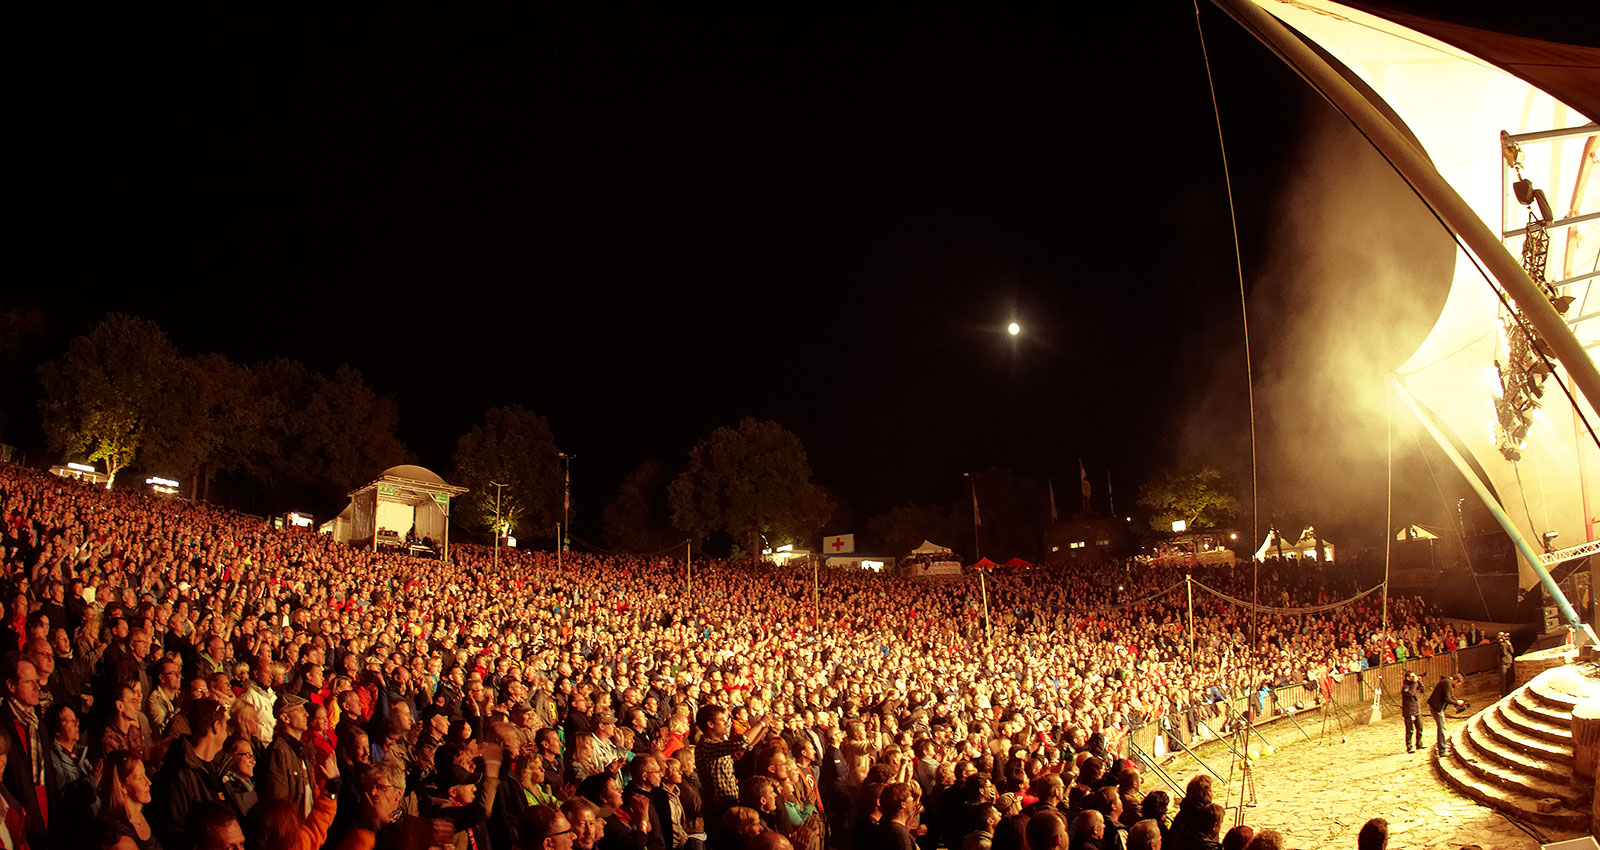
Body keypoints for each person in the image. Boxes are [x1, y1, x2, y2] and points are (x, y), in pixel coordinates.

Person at [97, 750, 161, 850]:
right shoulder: (120, 838)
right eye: (140, 778)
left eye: (145, 775)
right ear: (122, 786)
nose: (148, 782)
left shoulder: (139, 815)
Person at [1427, 675, 1466, 756]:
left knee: (1443, 726)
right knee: (1442, 727)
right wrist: (1457, 702)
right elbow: (1447, 699)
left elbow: (1450, 696)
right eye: (1458, 684)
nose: (1458, 686)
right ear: (1455, 680)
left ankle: (1443, 744)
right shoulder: (1446, 683)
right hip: (1436, 707)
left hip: (1437, 707)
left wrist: (1456, 702)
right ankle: (1442, 750)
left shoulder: (1447, 683)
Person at [1399, 672, 1424, 754]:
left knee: (1420, 727)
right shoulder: (1405, 687)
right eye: (1412, 676)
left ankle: (1419, 743)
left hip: (1417, 709)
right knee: (1410, 730)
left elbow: (1422, 689)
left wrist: (1419, 682)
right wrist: (1414, 683)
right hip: (1409, 711)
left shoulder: (1415, 684)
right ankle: (1409, 746)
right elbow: (1410, 693)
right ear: (1408, 678)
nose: (1414, 678)